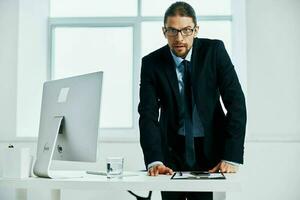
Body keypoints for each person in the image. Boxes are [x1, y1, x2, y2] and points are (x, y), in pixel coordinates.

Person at [138, 1, 246, 200]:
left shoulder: (214, 51)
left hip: (211, 149)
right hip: (170, 152)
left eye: (186, 30)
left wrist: (231, 156)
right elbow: (148, 115)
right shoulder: (152, 63)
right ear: (164, 31)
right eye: (172, 30)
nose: (179, 38)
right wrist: (154, 161)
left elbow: (236, 103)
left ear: (196, 30)